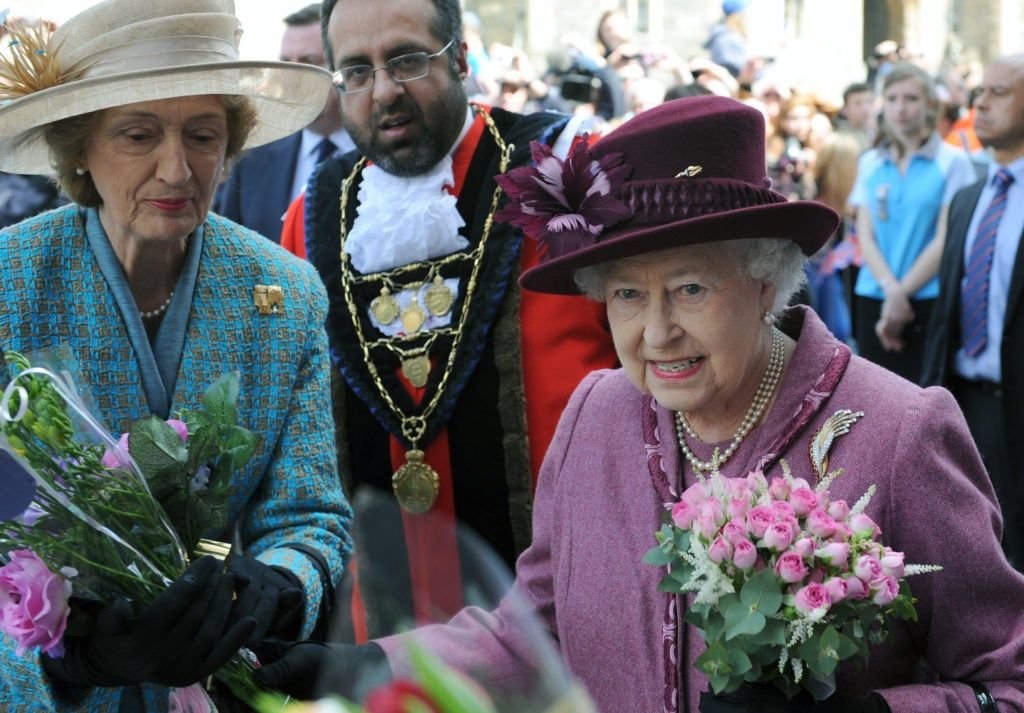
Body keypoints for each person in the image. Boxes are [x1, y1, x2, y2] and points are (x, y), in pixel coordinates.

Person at [256, 95, 1024, 713]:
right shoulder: (597, 413)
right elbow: (534, 633)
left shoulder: (900, 431)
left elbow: (1008, 681)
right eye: (627, 293)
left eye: (690, 287)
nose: (656, 332)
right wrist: (362, 666)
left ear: (765, 281)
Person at [0, 0, 353, 710]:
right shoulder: (9, 284)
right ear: (79, 148)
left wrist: (277, 587)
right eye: (138, 134)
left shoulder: (284, 291)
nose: (177, 167)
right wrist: (68, 657)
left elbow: (311, 514)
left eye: (203, 134)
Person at [279, 0, 617, 638]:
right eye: (356, 70)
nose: (383, 91)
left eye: (406, 60)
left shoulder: (562, 169)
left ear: (461, 58)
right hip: (388, 625)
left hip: (575, 603)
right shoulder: (312, 215)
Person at [922, 53, 1024, 569]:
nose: (979, 103)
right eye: (979, 90)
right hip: (966, 402)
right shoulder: (968, 198)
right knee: (972, 551)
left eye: (999, 92)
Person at [848, 63, 976, 381]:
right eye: (892, 99)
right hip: (874, 293)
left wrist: (901, 294)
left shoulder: (953, 163)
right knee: (873, 398)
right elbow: (865, 233)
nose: (900, 108)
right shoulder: (870, 162)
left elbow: (946, 239)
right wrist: (891, 291)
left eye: (911, 98)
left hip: (928, 297)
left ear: (930, 105)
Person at [213, 3, 354, 243]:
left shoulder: (381, 154)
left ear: (343, 65)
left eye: (308, 61)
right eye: (286, 62)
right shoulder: (252, 160)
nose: (294, 76)